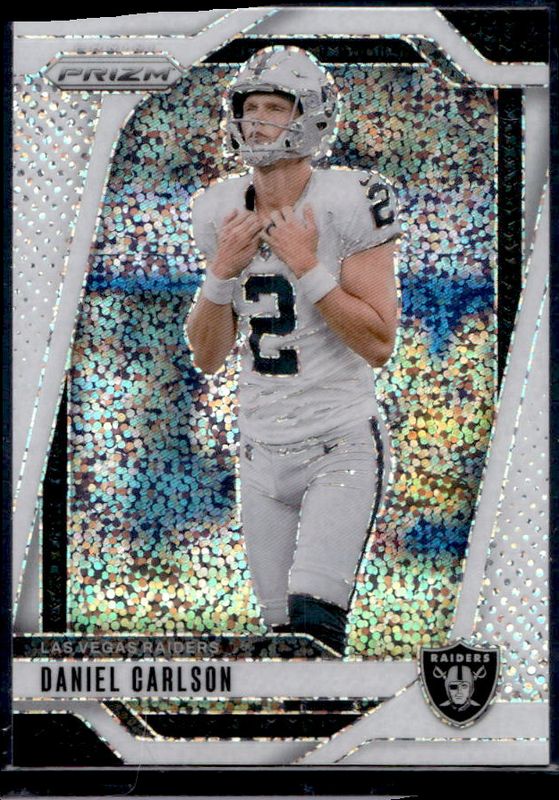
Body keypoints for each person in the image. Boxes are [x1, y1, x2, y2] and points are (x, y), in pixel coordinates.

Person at [186, 47, 401, 656]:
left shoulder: (349, 200)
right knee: (282, 648)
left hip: (338, 443)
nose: (257, 121)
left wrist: (307, 267)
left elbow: (378, 341)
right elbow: (207, 356)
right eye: (249, 106)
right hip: (258, 453)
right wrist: (220, 274)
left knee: (313, 632)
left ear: (310, 117)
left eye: (274, 108)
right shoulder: (217, 210)